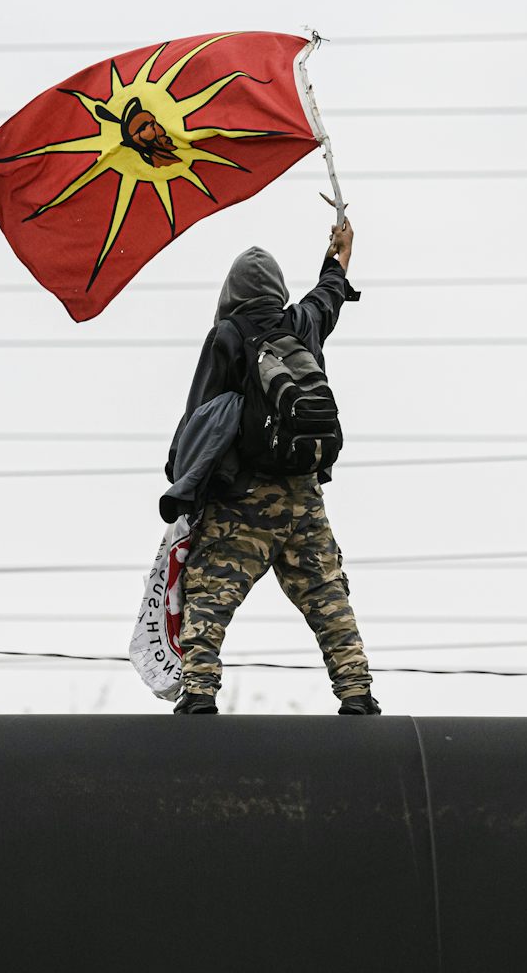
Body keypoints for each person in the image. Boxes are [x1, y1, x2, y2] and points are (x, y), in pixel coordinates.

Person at [162, 217, 379, 716]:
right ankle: (356, 693)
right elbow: (330, 294)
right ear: (278, 289)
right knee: (327, 594)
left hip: (244, 496)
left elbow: (200, 415)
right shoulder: (300, 322)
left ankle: (198, 693)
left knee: (211, 590)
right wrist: (340, 251)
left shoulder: (228, 335)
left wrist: (182, 474)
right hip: (304, 494)